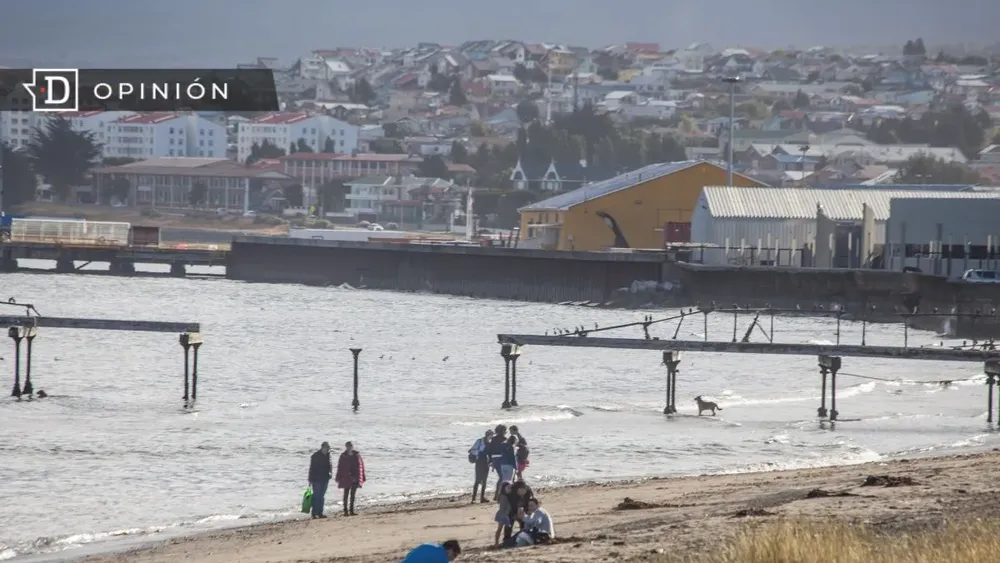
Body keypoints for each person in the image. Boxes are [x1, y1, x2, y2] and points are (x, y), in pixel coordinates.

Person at [336, 441, 366, 516]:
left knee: (353, 495)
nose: (349, 448)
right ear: (346, 447)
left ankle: (351, 511)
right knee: (346, 494)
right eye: (348, 446)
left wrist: (363, 477)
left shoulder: (356, 455)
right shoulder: (343, 456)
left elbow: (361, 466)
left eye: (350, 446)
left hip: (355, 477)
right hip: (346, 477)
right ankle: (345, 511)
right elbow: (340, 467)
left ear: (352, 447)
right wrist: (338, 477)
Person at [307, 441, 332, 519]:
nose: (327, 449)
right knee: (316, 496)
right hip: (316, 479)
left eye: (328, 448)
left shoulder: (328, 456)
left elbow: (330, 466)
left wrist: (330, 473)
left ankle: (320, 513)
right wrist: (310, 480)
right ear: (322, 447)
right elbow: (311, 468)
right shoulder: (315, 456)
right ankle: (314, 513)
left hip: (325, 479)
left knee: (321, 496)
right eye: (326, 448)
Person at [468, 429, 493, 503]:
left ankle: (480, 498)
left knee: (483, 481)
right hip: (480, 461)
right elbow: (471, 450)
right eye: (491, 435)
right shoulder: (480, 441)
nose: (491, 437)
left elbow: (490, 454)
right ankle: (474, 498)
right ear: (489, 435)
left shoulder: (488, 443)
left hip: (485, 462)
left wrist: (491, 461)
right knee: (478, 480)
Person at [487, 424, 508, 500]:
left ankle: (497, 494)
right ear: (503, 431)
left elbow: (489, 451)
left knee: (501, 477)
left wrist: (490, 461)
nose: (506, 432)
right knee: (503, 477)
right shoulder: (504, 439)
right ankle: (497, 495)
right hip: (501, 459)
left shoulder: (493, 439)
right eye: (505, 430)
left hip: (494, 459)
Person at [493, 482, 512, 547]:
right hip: (503, 514)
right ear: (504, 488)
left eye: (510, 488)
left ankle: (501, 542)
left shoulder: (508, 495)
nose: (510, 489)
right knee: (500, 529)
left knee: (504, 529)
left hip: (506, 514)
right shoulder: (503, 496)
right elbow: (503, 507)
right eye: (508, 488)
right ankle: (496, 543)